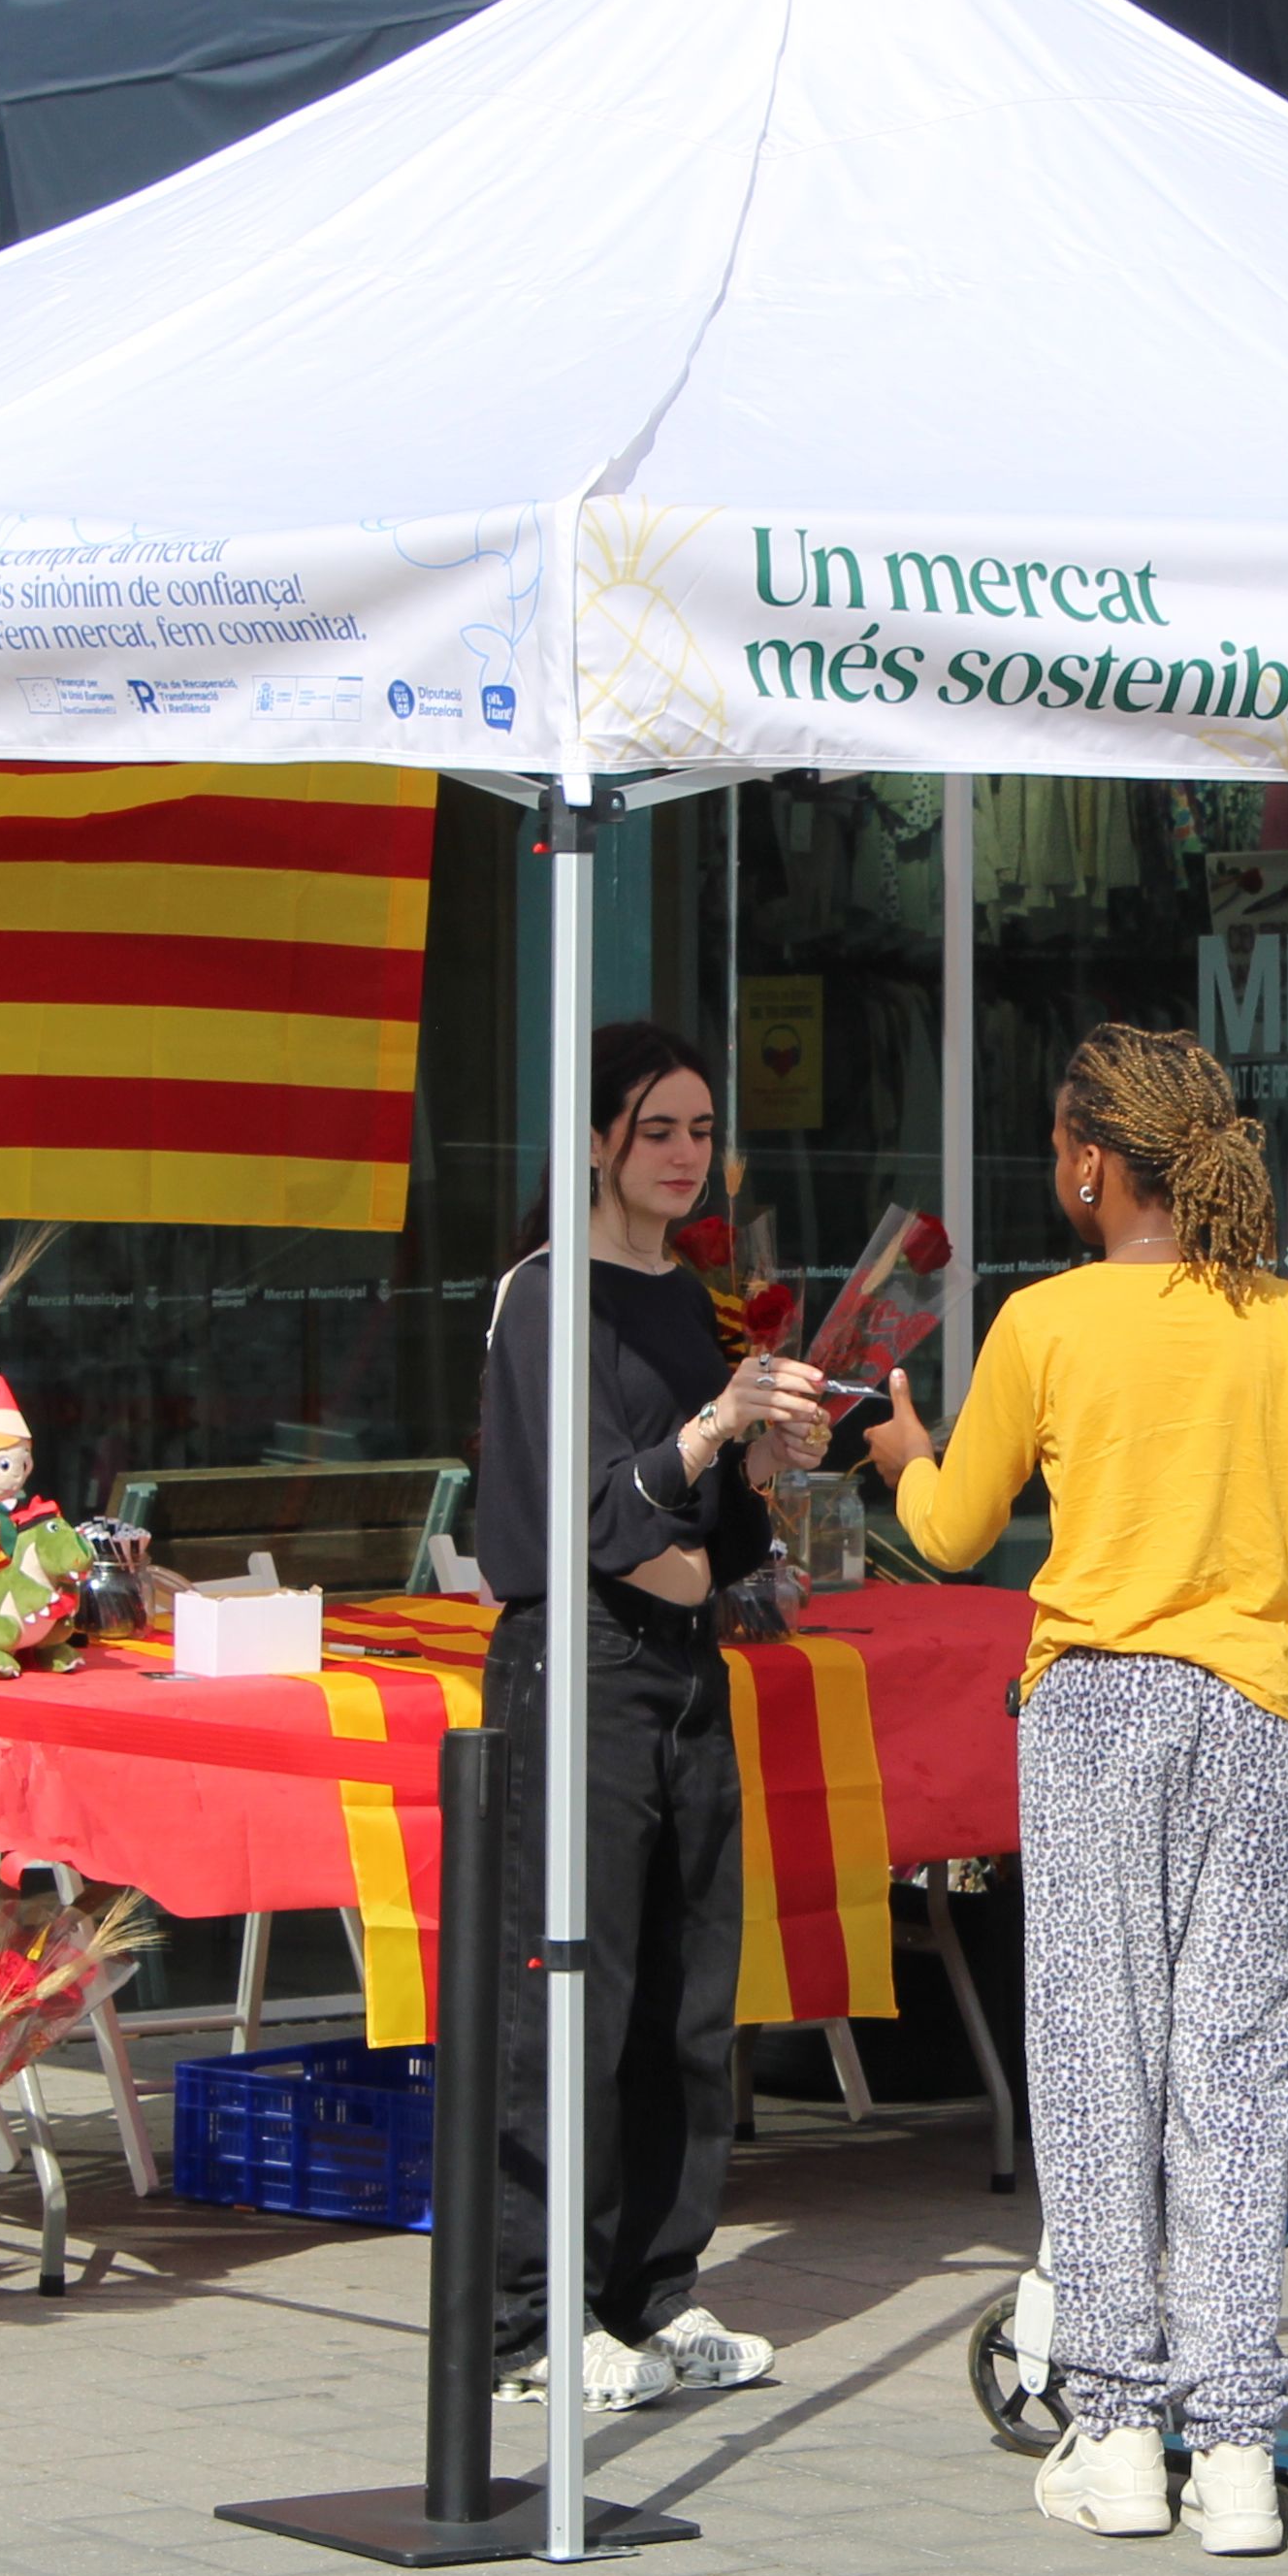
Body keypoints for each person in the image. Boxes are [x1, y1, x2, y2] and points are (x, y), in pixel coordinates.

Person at [865, 1023, 1288, 2558]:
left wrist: (905, 1449)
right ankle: (1238, 2457)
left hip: (1096, 1717)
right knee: (1239, 2085)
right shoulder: (1282, 1319)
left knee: (1095, 2062)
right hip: (1252, 1719)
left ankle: (1121, 2435)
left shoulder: (1045, 1326)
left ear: (1088, 1162)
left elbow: (952, 1527)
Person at [470, 1022, 829, 2415]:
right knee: (571, 1989)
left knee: (688, 2000)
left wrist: (773, 1452)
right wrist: (702, 1434)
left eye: (700, 1131)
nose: (684, 1156)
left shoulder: (692, 1300)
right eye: (658, 1130)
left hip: (684, 1666)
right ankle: (526, 2317)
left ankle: (652, 2289)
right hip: (580, 1664)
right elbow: (586, 1522)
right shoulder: (546, 1295)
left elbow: (717, 1535)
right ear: (600, 1142)